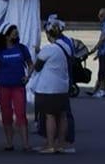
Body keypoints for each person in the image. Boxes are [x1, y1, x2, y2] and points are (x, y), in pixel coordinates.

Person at [30, 19, 75, 154]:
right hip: (63, 86)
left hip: (48, 87)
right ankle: (60, 144)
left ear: (49, 35)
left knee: (49, 115)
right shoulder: (67, 46)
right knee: (62, 115)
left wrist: (37, 52)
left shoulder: (48, 49)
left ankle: (50, 144)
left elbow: (37, 67)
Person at [0, 25, 32, 151]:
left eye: (17, 33)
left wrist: (28, 76)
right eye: (13, 33)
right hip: (3, 86)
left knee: (21, 113)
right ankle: (9, 142)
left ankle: (25, 144)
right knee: (6, 114)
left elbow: (30, 64)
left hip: (18, 86)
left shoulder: (21, 48)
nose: (16, 36)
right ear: (6, 35)